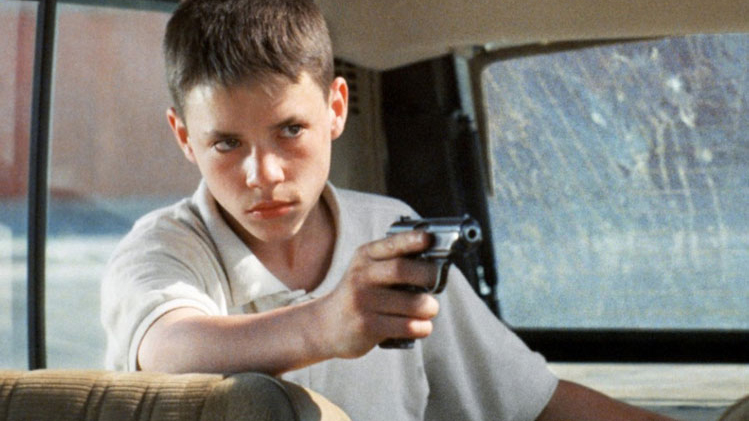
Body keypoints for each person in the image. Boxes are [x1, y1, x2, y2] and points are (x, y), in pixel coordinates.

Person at [101, 0, 672, 419]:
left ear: (336, 109)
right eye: (227, 143)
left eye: (290, 130)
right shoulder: (163, 249)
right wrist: (326, 324)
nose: (264, 174)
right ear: (184, 137)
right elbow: (167, 349)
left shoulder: (388, 232)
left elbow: (529, 402)